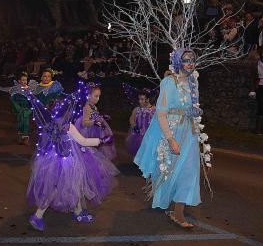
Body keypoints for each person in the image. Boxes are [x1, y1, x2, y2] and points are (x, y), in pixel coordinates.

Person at [23, 89, 119, 232]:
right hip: (67, 162)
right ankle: (38, 216)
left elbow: (43, 144)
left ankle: (78, 211)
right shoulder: (67, 126)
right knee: (61, 188)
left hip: (50, 162)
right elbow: (84, 141)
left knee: (71, 186)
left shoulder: (48, 125)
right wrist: (102, 140)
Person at [135, 49, 203, 229]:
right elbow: (161, 113)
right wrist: (170, 139)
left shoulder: (193, 82)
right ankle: (169, 202)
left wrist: (195, 111)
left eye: (193, 60)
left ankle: (179, 211)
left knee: (190, 171)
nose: (190, 63)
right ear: (179, 63)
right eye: (187, 60)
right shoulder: (168, 82)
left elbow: (192, 106)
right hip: (172, 132)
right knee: (170, 171)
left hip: (189, 133)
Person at [75, 83, 116, 161]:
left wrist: (102, 117)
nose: (98, 99)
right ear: (89, 96)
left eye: (99, 96)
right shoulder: (87, 107)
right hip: (86, 131)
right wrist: (94, 122)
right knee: (87, 147)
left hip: (93, 129)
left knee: (94, 147)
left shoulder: (94, 106)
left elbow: (94, 116)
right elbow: (84, 122)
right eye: (96, 96)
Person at [126, 89, 155, 157]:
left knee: (148, 150)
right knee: (138, 149)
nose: (140, 101)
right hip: (138, 134)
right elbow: (131, 118)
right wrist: (134, 126)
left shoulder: (154, 109)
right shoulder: (137, 109)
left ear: (147, 99)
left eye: (142, 99)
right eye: (139, 99)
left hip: (149, 134)